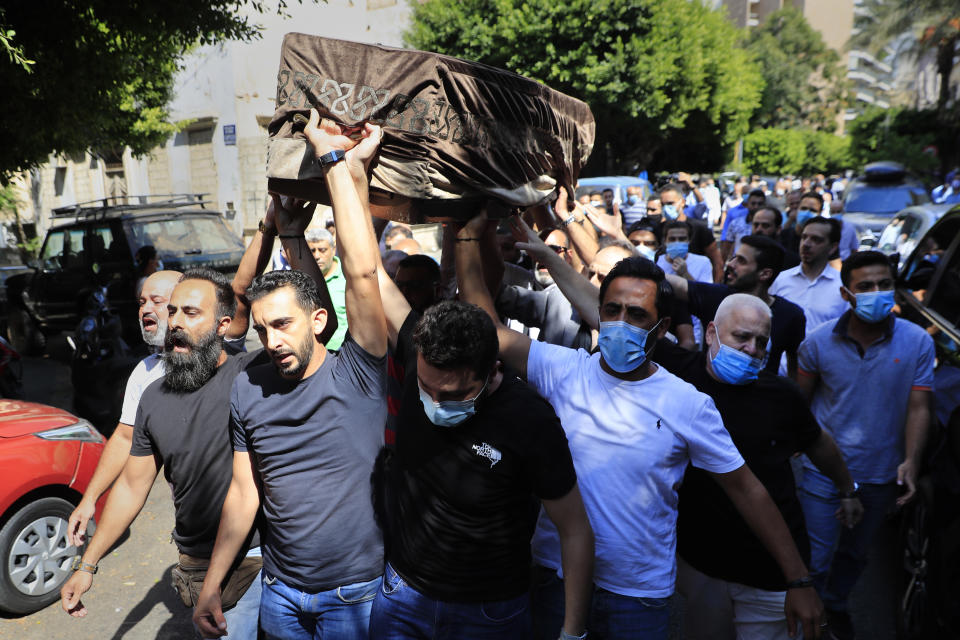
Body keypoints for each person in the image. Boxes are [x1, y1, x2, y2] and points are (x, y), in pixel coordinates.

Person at [456, 213, 823, 640]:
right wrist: (465, 233)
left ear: (661, 327)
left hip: (637, 596)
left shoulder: (688, 403)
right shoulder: (564, 370)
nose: (621, 323)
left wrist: (798, 580)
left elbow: (747, 489)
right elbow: (488, 330)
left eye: (636, 314)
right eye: (611, 310)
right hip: (555, 578)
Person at [192, 112, 389, 640]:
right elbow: (243, 493)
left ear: (319, 321)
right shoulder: (248, 387)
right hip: (280, 595)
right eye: (262, 328)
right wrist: (213, 585)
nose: (271, 339)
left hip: (358, 597)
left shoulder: (361, 371)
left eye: (282, 324)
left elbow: (363, 271)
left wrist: (333, 163)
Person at [59, 269, 270, 639]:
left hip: (254, 559)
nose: (174, 322)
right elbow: (130, 486)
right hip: (194, 565)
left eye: (191, 313)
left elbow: (313, 331)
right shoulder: (153, 397)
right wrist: (87, 565)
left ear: (223, 325)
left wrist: (279, 233)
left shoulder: (249, 374)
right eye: (173, 311)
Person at [369, 299, 594, 640]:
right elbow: (370, 274)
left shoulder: (531, 420)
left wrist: (572, 633)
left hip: (489, 614)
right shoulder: (421, 357)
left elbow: (575, 529)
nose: (435, 403)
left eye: (453, 395)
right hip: (402, 596)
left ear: (492, 371)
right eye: (425, 390)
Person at [654, 294, 861, 640]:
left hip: (771, 571)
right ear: (710, 334)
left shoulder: (781, 395)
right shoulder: (676, 372)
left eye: (761, 342)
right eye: (741, 337)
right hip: (703, 564)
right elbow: (601, 311)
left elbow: (819, 443)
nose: (751, 349)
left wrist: (847, 489)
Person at [795, 251, 935, 640]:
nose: (876, 293)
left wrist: (910, 459)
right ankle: (813, 617)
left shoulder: (918, 343)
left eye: (884, 285)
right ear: (846, 294)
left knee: (856, 554)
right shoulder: (818, 343)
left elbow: (919, 406)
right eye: (865, 287)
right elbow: (800, 404)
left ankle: (835, 604)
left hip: (880, 472)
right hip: (823, 472)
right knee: (817, 556)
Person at [65, 269, 181, 547]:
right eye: (142, 302)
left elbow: (238, 295)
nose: (146, 310)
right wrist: (89, 499)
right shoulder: (144, 372)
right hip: (192, 534)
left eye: (156, 301)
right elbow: (125, 437)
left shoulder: (219, 358)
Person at [667, 235, 806, 376]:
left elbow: (794, 368)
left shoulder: (791, 315)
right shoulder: (717, 297)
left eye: (741, 261)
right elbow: (673, 283)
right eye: (733, 258)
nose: (731, 264)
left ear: (764, 274)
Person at [770, 217, 848, 332]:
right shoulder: (780, 280)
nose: (806, 244)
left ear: (832, 248)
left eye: (816, 239)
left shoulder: (842, 286)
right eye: (804, 237)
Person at [657, 184, 723, 282]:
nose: (666, 208)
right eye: (663, 204)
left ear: (683, 202)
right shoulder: (658, 228)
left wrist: (714, 291)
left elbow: (717, 263)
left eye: (670, 203)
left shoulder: (700, 229)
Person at [305, 226, 348, 350]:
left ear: (333, 250)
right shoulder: (300, 279)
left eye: (322, 250)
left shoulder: (347, 277)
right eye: (312, 251)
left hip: (342, 354)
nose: (317, 255)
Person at [722, 189, 766, 260]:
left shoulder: (770, 225)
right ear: (747, 204)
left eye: (760, 204)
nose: (756, 207)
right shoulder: (736, 223)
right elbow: (726, 248)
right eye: (753, 203)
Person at [751, 206, 800, 270]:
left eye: (765, 226)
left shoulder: (791, 261)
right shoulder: (744, 256)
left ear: (778, 229)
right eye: (756, 225)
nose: (758, 229)